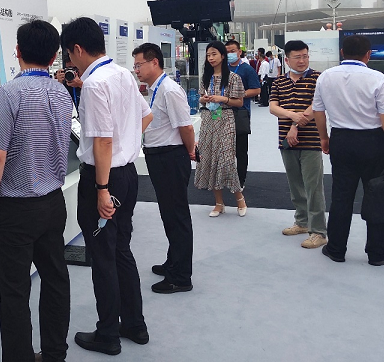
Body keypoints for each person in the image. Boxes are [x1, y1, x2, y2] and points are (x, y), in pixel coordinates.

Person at [61, 17, 153, 356]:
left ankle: (108, 334)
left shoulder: (95, 84)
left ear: (77, 49)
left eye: (69, 54)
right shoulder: (124, 75)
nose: (69, 61)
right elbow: (146, 116)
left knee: (102, 257)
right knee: (121, 250)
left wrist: (101, 188)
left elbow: (101, 140)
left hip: (104, 179)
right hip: (127, 174)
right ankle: (134, 324)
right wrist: (127, 142)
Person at [0, 20, 72, 362]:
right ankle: (55, 353)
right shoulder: (62, 93)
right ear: (53, 56)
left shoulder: (8, 93)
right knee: (55, 279)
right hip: (53, 203)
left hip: (14, 208)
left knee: (14, 290)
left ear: (17, 51)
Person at [314, 35, 384, 266]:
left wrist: (324, 138)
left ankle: (336, 249)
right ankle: (377, 253)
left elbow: (318, 111)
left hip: (341, 140)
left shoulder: (325, 76)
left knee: (341, 196)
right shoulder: (376, 78)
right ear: (368, 54)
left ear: (342, 52)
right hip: (373, 142)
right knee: (376, 195)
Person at [132, 43, 196, 294]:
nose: (136, 69)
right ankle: (173, 261)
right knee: (169, 214)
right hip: (159, 157)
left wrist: (190, 151)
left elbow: (186, 127)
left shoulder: (169, 90)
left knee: (176, 216)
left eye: (139, 64)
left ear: (154, 62)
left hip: (171, 156)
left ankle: (180, 277)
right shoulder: (154, 89)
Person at [269, 40, 327, 249]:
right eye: (297, 57)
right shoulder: (279, 82)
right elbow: (273, 107)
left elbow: (317, 105)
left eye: (305, 56)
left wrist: (295, 124)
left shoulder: (318, 78)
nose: (302, 60)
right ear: (287, 60)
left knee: (313, 187)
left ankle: (319, 231)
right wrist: (293, 116)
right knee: (295, 184)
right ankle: (302, 222)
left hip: (311, 140)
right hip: (286, 142)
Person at [194, 41, 247, 217]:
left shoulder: (233, 78)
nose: (211, 58)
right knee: (210, 159)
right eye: (208, 55)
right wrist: (204, 99)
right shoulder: (205, 77)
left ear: (223, 56)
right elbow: (200, 98)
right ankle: (218, 203)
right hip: (209, 119)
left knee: (226, 160)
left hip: (226, 118)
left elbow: (239, 102)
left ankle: (240, 199)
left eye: (214, 54)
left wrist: (222, 99)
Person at [224, 40, 261, 189]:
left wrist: (239, 94)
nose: (230, 54)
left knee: (240, 149)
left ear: (239, 52)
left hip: (240, 113)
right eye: (227, 51)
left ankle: (240, 180)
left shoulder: (247, 69)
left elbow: (256, 89)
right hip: (222, 112)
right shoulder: (222, 68)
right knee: (224, 148)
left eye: (232, 51)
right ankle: (225, 177)